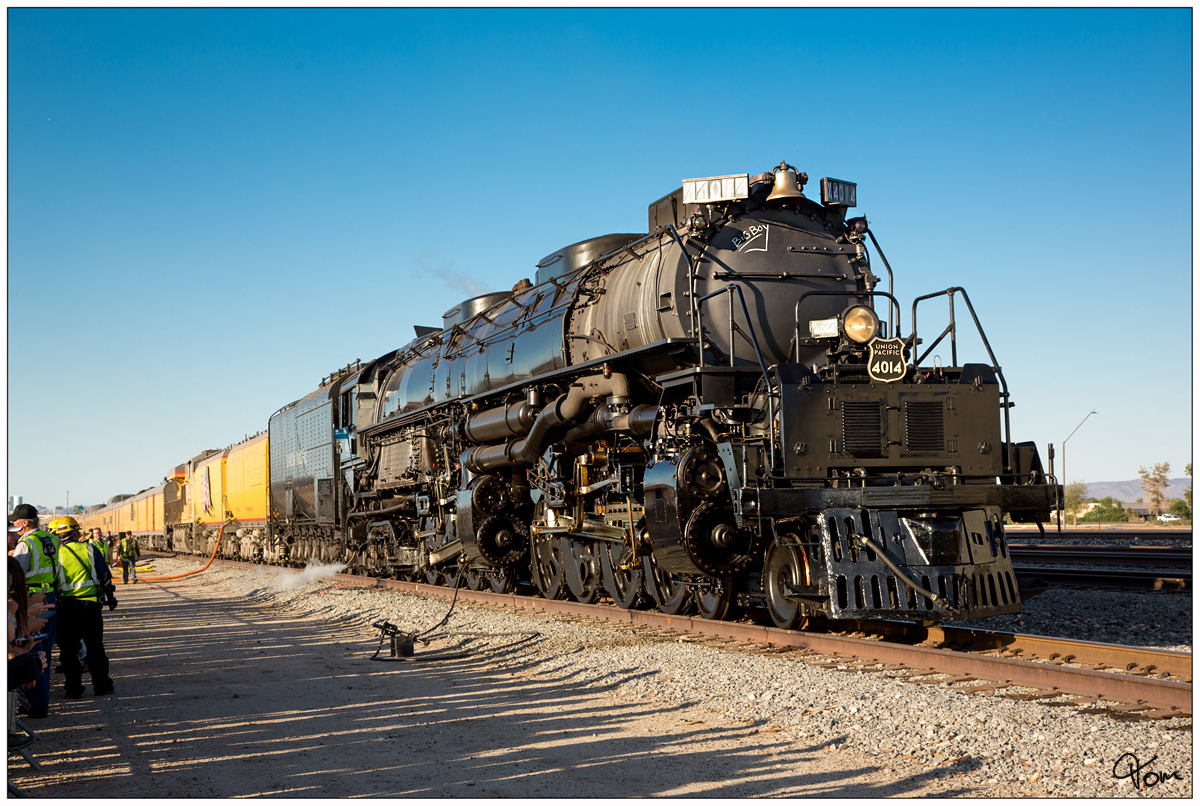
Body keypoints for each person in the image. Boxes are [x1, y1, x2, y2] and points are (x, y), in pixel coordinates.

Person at [50, 516, 117, 698]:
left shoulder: (56, 554)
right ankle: (102, 685)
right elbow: (105, 576)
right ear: (75, 532)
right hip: (90, 606)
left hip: (66, 607)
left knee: (69, 650)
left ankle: (73, 689)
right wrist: (110, 596)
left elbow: (52, 581)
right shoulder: (90, 549)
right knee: (95, 648)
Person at [9, 504, 60, 718]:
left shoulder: (26, 543)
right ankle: (41, 702)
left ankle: (37, 705)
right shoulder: (51, 538)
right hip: (50, 595)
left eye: (15, 523)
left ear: (24, 524)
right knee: (44, 649)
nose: (14, 527)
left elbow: (16, 574)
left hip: (31, 599)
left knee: (30, 650)